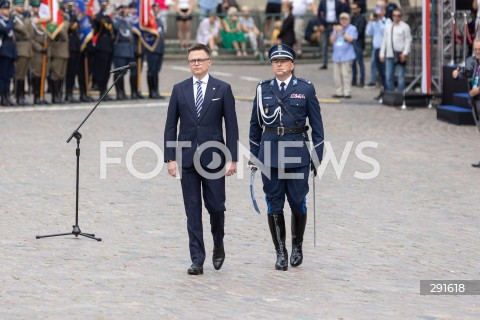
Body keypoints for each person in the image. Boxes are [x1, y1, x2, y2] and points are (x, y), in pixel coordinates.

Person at [163, 43, 239, 275]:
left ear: (209, 62)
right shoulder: (179, 89)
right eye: (192, 60)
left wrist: (232, 158)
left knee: (216, 207)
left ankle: (218, 244)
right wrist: (170, 158)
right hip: (187, 159)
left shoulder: (222, 89)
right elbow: (170, 126)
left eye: (200, 59)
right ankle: (197, 258)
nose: (196, 63)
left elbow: (232, 126)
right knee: (192, 210)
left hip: (215, 158)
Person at [249, 44, 324, 271]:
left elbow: (318, 128)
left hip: (297, 153)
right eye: (275, 61)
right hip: (270, 152)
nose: (279, 64)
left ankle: (297, 246)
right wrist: (254, 156)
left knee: (298, 202)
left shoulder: (306, 89)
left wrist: (316, 158)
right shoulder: (263, 89)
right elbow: (255, 125)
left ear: (292, 64)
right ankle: (280, 251)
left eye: (283, 60)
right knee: (274, 203)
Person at [379, 8, 412, 93]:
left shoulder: (405, 27)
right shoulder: (388, 26)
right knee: (388, 76)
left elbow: (408, 40)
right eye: (394, 15)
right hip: (390, 54)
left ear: (401, 16)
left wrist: (405, 53)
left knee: (401, 76)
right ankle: (391, 93)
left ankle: (401, 95)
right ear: (392, 16)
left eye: (398, 16)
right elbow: (384, 40)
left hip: (400, 53)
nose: (396, 17)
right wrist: (382, 53)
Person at [365, 4, 389, 101]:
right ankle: (383, 91)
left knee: (384, 73)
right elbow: (368, 32)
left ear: (384, 12)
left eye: (380, 10)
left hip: (384, 50)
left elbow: (385, 32)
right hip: (376, 50)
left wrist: (379, 20)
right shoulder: (374, 22)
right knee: (380, 72)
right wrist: (371, 21)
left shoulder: (387, 21)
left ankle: (387, 92)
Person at [330, 12, 357, 98]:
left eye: (345, 19)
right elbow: (331, 41)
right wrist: (336, 32)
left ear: (349, 20)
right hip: (337, 56)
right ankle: (339, 92)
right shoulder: (336, 29)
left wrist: (342, 31)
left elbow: (351, 39)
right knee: (336, 76)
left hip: (347, 55)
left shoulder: (352, 28)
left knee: (346, 75)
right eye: (342, 19)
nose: (344, 21)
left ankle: (347, 92)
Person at [317, 0, 350, 69]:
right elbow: (319, 14)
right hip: (325, 24)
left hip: (335, 24)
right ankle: (324, 63)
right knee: (324, 44)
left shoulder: (338, 2)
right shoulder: (322, 2)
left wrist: (339, 24)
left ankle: (338, 61)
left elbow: (342, 12)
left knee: (337, 43)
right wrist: (320, 24)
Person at [93, 0, 114, 100]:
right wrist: (99, 15)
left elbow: (112, 29)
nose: (105, 6)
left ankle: (105, 90)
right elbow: (95, 27)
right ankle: (101, 91)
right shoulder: (99, 16)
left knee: (107, 70)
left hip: (109, 46)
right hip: (102, 45)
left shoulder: (108, 17)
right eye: (103, 5)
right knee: (101, 70)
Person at [49, 1, 70, 104]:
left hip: (64, 49)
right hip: (56, 49)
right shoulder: (54, 21)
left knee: (62, 74)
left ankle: (59, 95)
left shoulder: (63, 20)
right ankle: (55, 96)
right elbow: (60, 31)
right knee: (56, 74)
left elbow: (65, 29)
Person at [12, 0, 32, 106]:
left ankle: (22, 96)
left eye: (22, 6)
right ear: (14, 7)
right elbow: (23, 30)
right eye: (19, 6)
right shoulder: (14, 18)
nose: (21, 8)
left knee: (23, 74)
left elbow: (30, 33)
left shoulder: (23, 19)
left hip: (27, 48)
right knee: (19, 74)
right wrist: (28, 20)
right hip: (20, 48)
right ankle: (18, 96)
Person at [113, 4, 134, 100]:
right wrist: (120, 17)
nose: (124, 11)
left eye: (125, 9)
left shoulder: (128, 20)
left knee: (127, 72)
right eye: (122, 9)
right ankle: (119, 93)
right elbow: (116, 28)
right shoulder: (116, 20)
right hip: (120, 49)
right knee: (119, 73)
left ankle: (125, 92)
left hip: (129, 49)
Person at [146, 3, 165, 99]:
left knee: (156, 71)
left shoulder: (159, 19)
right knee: (151, 71)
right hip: (152, 49)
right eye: (155, 7)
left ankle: (156, 91)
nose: (157, 9)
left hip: (160, 48)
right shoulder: (150, 20)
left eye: (158, 7)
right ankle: (151, 92)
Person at [0, 0, 16, 107]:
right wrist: (10, 22)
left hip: (11, 50)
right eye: (5, 8)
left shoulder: (8, 20)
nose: (7, 10)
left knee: (9, 75)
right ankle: (3, 97)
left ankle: (7, 95)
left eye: (8, 8)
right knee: (3, 76)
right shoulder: (2, 20)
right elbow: (6, 29)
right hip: (3, 51)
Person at [350, 1, 367, 87]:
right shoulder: (352, 18)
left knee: (360, 62)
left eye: (355, 9)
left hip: (359, 43)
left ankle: (362, 80)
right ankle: (354, 79)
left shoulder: (362, 18)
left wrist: (352, 36)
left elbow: (360, 32)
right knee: (353, 63)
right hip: (353, 43)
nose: (353, 10)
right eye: (352, 9)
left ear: (359, 9)